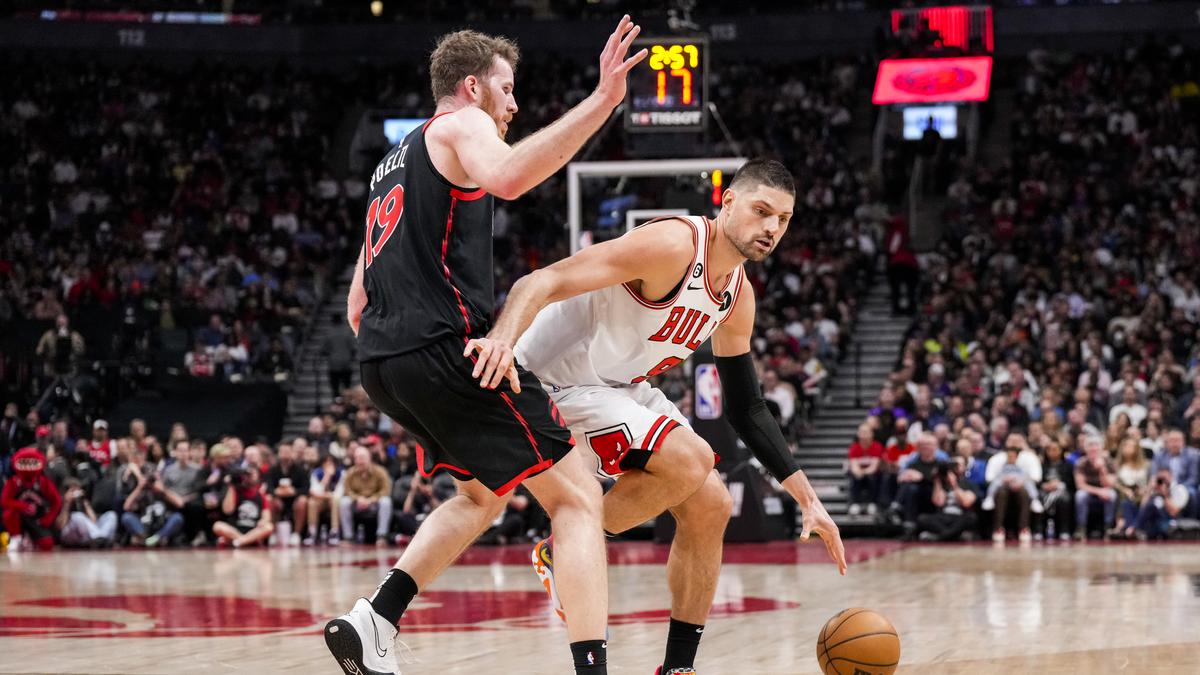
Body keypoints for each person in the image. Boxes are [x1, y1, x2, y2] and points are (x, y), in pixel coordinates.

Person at [327, 19, 648, 675]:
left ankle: (377, 618)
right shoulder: (460, 125)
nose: (513, 104)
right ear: (470, 87)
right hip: (444, 349)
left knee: (482, 496)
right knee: (579, 497)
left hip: (384, 362)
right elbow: (507, 178)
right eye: (506, 88)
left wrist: (404, 349)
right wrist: (602, 102)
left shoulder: (393, 163)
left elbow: (358, 298)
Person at [479, 159, 845, 674]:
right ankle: (563, 552)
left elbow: (746, 406)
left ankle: (677, 669)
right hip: (552, 378)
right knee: (691, 458)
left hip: (618, 385)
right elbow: (546, 278)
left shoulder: (738, 297)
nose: (771, 229)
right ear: (729, 203)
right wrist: (501, 343)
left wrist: (808, 499)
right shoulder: (673, 244)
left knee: (712, 505)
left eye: (782, 220)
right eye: (762, 211)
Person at [982, 433, 1042, 543]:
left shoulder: (1031, 457)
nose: (1014, 443)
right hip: (1002, 486)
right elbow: (990, 478)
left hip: (1022, 486)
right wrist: (1004, 480)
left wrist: (1021, 481)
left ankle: (1024, 528)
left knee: (1024, 492)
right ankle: (998, 528)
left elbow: (1036, 477)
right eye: (1011, 440)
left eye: (1017, 440)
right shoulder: (996, 458)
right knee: (1001, 492)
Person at [1, 448, 61, 551]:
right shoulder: (14, 482)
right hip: (19, 518)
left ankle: (31, 538)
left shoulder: (43, 482)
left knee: (47, 544)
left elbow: (57, 501)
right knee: (9, 514)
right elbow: (4, 501)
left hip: (37, 519)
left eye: (32, 462)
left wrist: (48, 519)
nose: (28, 465)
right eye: (24, 462)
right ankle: (16, 537)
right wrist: (22, 506)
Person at [339, 446, 393, 545]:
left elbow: (385, 491)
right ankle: (348, 536)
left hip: (374, 504)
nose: (360, 461)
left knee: (386, 501)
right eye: (357, 458)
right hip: (357, 504)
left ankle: (382, 535)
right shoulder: (350, 473)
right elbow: (347, 491)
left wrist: (370, 500)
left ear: (369, 458)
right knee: (344, 502)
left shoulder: (380, 471)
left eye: (362, 457)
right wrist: (358, 499)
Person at [212, 465, 273, 548]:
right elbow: (227, 510)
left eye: (251, 475)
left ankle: (239, 541)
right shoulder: (235, 491)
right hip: (235, 529)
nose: (248, 477)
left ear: (258, 477)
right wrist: (231, 486)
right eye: (246, 475)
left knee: (269, 527)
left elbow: (267, 516)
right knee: (217, 526)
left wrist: (263, 521)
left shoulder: (261, 496)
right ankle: (247, 541)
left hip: (253, 529)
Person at [265, 441, 310, 545]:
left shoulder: (301, 470)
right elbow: (269, 488)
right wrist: (276, 493)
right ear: (279, 453)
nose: (285, 454)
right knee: (269, 499)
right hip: (278, 499)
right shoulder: (272, 470)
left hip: (294, 499)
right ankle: (274, 533)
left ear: (293, 453)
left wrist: (294, 491)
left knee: (302, 501)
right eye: (283, 451)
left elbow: (306, 488)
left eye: (288, 451)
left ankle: (296, 534)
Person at [1073, 436, 1117, 539]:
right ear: (1086, 449)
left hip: (1105, 491)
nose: (1093, 449)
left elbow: (1110, 484)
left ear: (1101, 448)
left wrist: (1102, 469)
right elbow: (1080, 485)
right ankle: (1081, 528)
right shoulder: (1081, 463)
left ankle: (1108, 527)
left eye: (1096, 446)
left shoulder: (1109, 462)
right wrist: (1099, 492)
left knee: (1112, 495)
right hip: (1089, 492)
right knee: (1080, 495)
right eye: (1090, 446)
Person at [305, 453, 343, 546]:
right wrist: (327, 477)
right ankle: (312, 532)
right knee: (312, 502)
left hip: (334, 500)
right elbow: (314, 492)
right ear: (322, 463)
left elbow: (339, 492)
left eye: (331, 462)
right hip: (321, 500)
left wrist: (328, 495)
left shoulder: (341, 473)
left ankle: (335, 532)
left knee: (335, 500)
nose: (328, 464)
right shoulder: (316, 473)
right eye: (326, 462)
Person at [846, 423, 883, 515]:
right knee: (854, 476)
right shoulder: (854, 447)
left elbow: (874, 467)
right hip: (859, 476)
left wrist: (862, 472)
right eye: (862, 432)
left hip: (872, 476)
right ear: (858, 434)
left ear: (872, 434)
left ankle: (872, 503)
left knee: (872, 477)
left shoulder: (877, 446)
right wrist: (858, 472)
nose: (864, 435)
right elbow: (854, 466)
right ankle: (854, 504)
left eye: (866, 432)